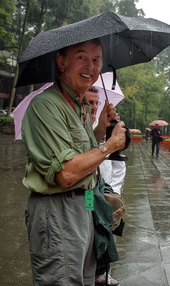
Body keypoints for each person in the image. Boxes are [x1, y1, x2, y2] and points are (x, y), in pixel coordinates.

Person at [22, 39, 127, 285]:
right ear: (61, 62)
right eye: (81, 57)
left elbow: (84, 152)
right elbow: (66, 174)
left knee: (87, 278)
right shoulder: (46, 105)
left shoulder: (78, 105)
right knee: (63, 279)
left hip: (86, 204)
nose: (90, 66)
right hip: (58, 209)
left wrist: (101, 129)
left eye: (96, 59)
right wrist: (110, 145)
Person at [85, 86, 124, 286]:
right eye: (89, 102)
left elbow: (119, 164)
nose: (92, 106)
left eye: (95, 103)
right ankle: (93, 269)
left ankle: (104, 270)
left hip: (106, 189)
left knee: (108, 227)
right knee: (92, 226)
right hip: (89, 192)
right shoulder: (80, 128)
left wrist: (115, 190)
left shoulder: (110, 128)